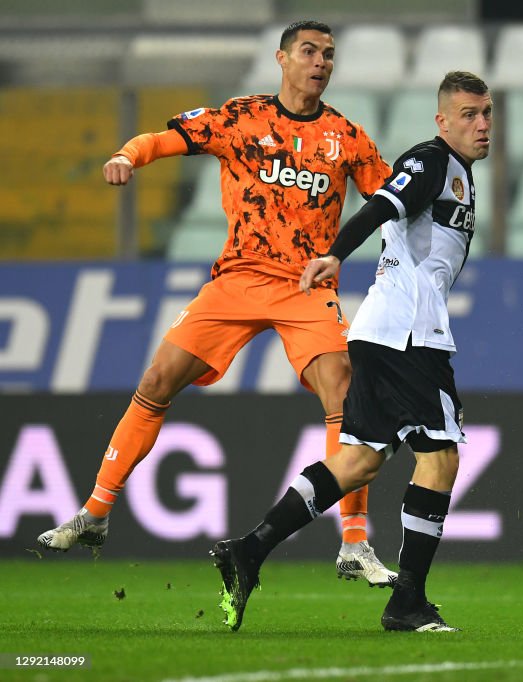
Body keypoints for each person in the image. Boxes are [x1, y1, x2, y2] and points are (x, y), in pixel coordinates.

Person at [36, 19, 397, 588]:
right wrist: (128, 156)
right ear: (282, 59)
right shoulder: (240, 117)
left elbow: (390, 200)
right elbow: (164, 138)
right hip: (237, 280)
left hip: (306, 286)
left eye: (329, 54)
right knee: (157, 379)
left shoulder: (347, 137)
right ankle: (96, 513)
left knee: (343, 388)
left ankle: (354, 544)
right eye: (309, 51)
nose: (321, 62)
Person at [210, 70, 492, 633]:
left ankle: (250, 549)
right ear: (442, 121)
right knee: (440, 459)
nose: (482, 125)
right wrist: (336, 254)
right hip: (409, 334)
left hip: (383, 332)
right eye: (468, 114)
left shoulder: (458, 171)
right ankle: (407, 601)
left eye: (486, 113)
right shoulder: (431, 160)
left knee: (360, 460)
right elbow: (381, 207)